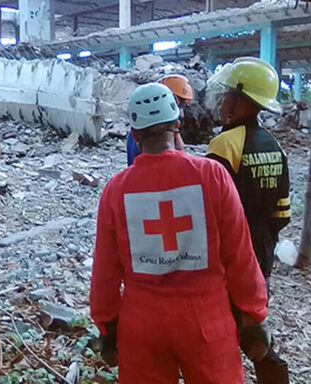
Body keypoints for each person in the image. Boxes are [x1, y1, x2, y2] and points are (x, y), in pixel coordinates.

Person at [90, 82, 268, 383]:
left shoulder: (116, 190)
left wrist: (107, 325)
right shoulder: (212, 176)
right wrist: (253, 315)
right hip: (207, 321)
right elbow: (240, 255)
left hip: (142, 325)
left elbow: (105, 270)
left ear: (135, 135)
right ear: (177, 124)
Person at [206, 57, 290, 384]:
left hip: (229, 253)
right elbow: (282, 213)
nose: (222, 100)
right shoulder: (276, 146)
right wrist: (262, 239)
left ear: (243, 100)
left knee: (227, 325)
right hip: (264, 249)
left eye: (227, 94)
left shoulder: (225, 145)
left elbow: (211, 209)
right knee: (253, 319)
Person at [126, 74, 194, 166]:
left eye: (183, 103)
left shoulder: (137, 129)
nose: (181, 109)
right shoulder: (210, 169)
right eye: (180, 102)